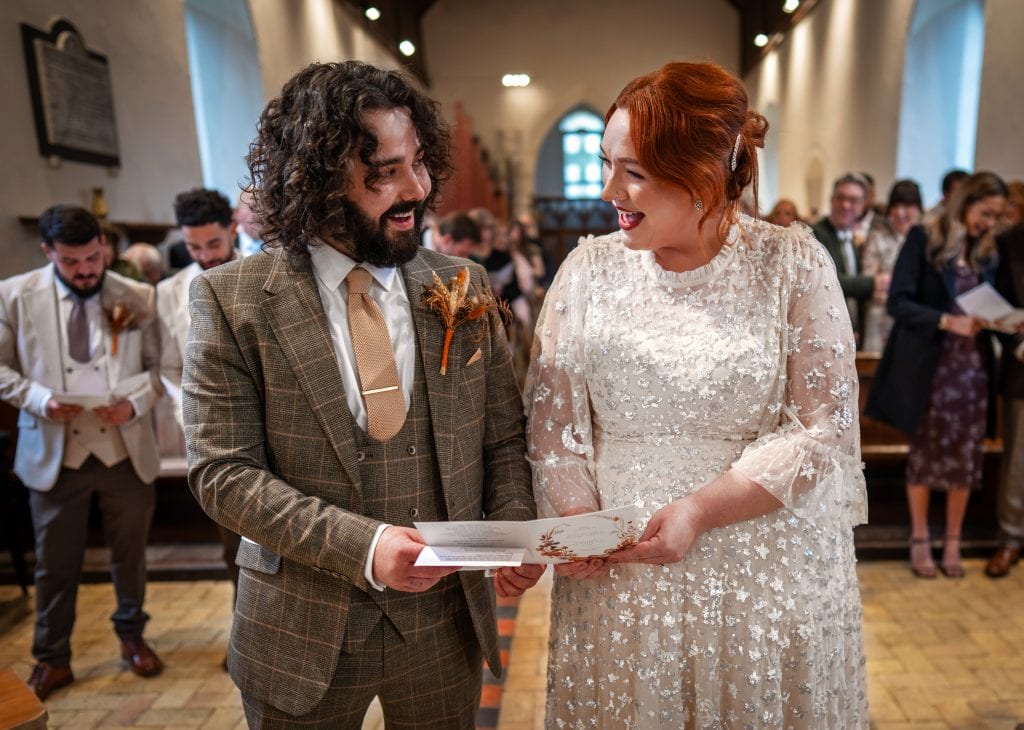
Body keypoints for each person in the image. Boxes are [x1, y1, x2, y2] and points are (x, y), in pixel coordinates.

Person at [182, 61, 542, 728]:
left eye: (420, 163)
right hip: (303, 626)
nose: (417, 189)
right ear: (313, 179)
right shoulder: (230, 300)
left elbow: (501, 435)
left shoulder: (463, 283)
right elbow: (223, 474)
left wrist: (510, 530)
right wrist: (366, 546)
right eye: (384, 172)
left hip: (443, 626)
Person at [525, 61, 867, 727]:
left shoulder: (794, 264)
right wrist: (579, 523)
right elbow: (552, 424)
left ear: (704, 177)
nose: (608, 190)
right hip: (622, 579)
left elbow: (823, 429)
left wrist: (700, 513)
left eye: (634, 172)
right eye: (606, 163)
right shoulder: (587, 271)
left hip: (762, 574)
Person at [0, 205, 164, 700]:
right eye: (72, 262)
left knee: (130, 555)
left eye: (93, 257)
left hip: (123, 449)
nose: (86, 269)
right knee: (55, 560)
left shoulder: (135, 296)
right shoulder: (14, 297)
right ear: (49, 252)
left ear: (104, 248)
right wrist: (39, 400)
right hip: (55, 450)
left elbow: (163, 370)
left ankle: (132, 636)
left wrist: (133, 404)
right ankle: (52, 658)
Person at [866, 172, 1006, 578]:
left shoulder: (985, 250)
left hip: (973, 372)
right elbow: (899, 302)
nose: (989, 223)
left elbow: (991, 301)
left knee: (966, 458)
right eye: (985, 212)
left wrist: (1003, 321)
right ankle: (921, 537)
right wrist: (947, 321)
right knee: (926, 456)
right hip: (932, 367)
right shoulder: (924, 238)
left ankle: (954, 539)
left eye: (996, 216)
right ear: (965, 202)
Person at [158, 188, 241, 642]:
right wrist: (189, 411)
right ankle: (246, 635)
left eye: (213, 244)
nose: (205, 255)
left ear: (232, 229)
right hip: (215, 436)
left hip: (276, 426)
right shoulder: (169, 293)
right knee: (233, 545)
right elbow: (170, 366)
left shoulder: (268, 269)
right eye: (194, 247)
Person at [985, 220, 1024, 577]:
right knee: (1017, 463)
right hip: (1021, 367)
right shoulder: (1010, 242)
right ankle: (1011, 538)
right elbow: (994, 303)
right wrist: (1019, 345)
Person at [812, 172, 886, 345]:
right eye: (840, 198)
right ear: (831, 200)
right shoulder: (815, 233)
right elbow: (828, 281)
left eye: (853, 200)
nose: (846, 205)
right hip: (823, 333)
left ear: (863, 206)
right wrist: (873, 284)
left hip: (850, 334)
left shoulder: (855, 239)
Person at [860, 179, 924, 352]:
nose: (900, 213)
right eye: (895, 206)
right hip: (882, 316)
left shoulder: (927, 240)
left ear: (918, 208)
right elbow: (871, 280)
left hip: (917, 318)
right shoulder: (878, 237)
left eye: (907, 206)